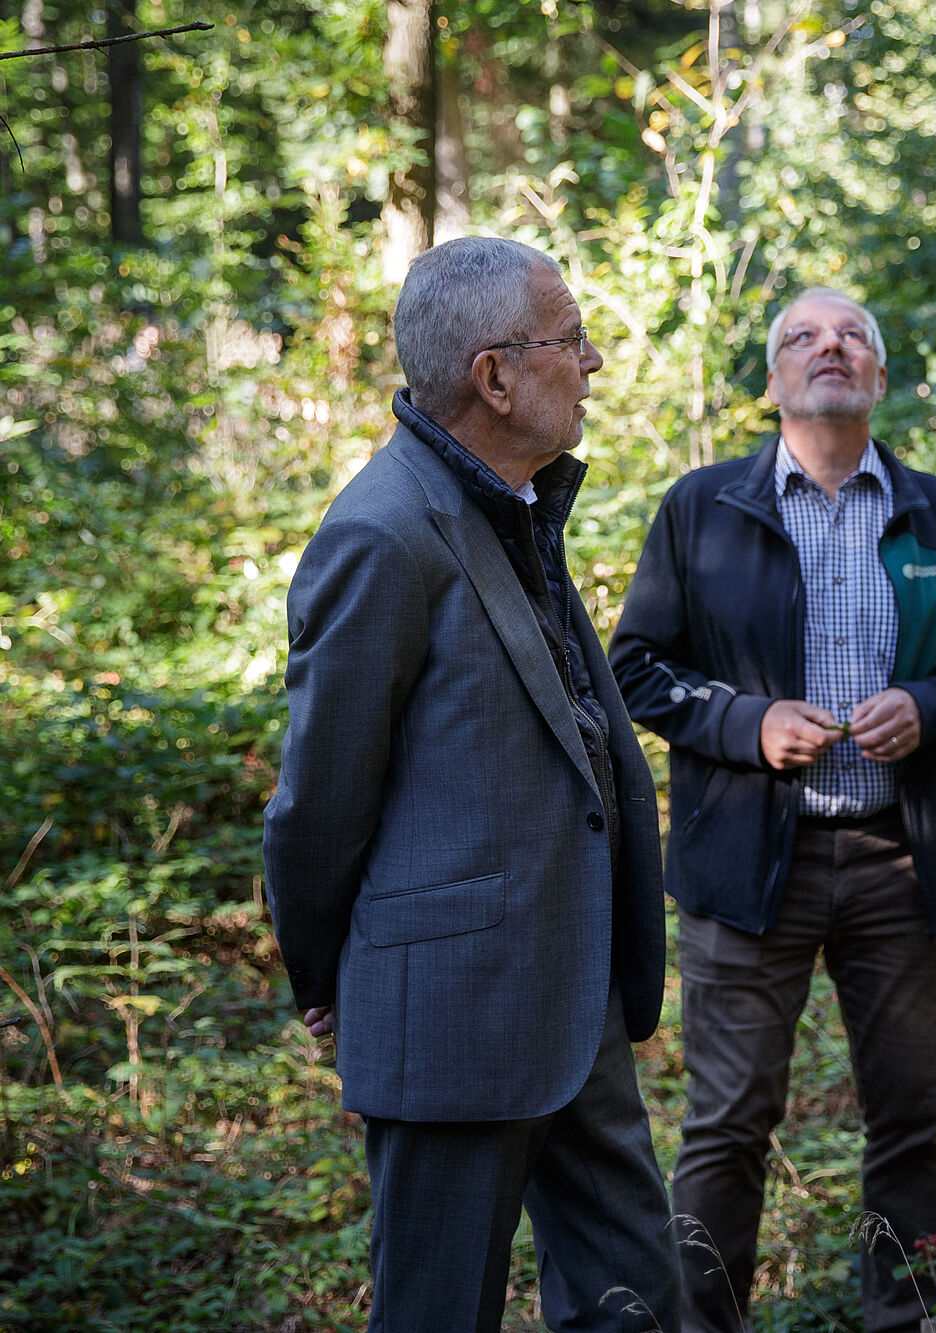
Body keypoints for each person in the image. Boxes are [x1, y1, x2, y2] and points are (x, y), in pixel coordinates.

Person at [263, 236, 677, 1332]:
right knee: (438, 1311)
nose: (592, 362)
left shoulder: (510, 502)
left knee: (637, 1298)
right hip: (449, 1011)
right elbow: (320, 802)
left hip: (574, 990)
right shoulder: (382, 534)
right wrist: (325, 970)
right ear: (494, 376)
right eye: (571, 339)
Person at [608, 287, 936, 1333]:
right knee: (726, 1125)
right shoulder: (703, 509)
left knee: (914, 1123)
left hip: (902, 863)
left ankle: (902, 1319)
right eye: (802, 336)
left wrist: (932, 708)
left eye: (851, 337)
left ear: (879, 377)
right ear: (772, 383)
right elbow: (636, 667)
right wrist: (745, 722)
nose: (828, 347)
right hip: (748, 864)